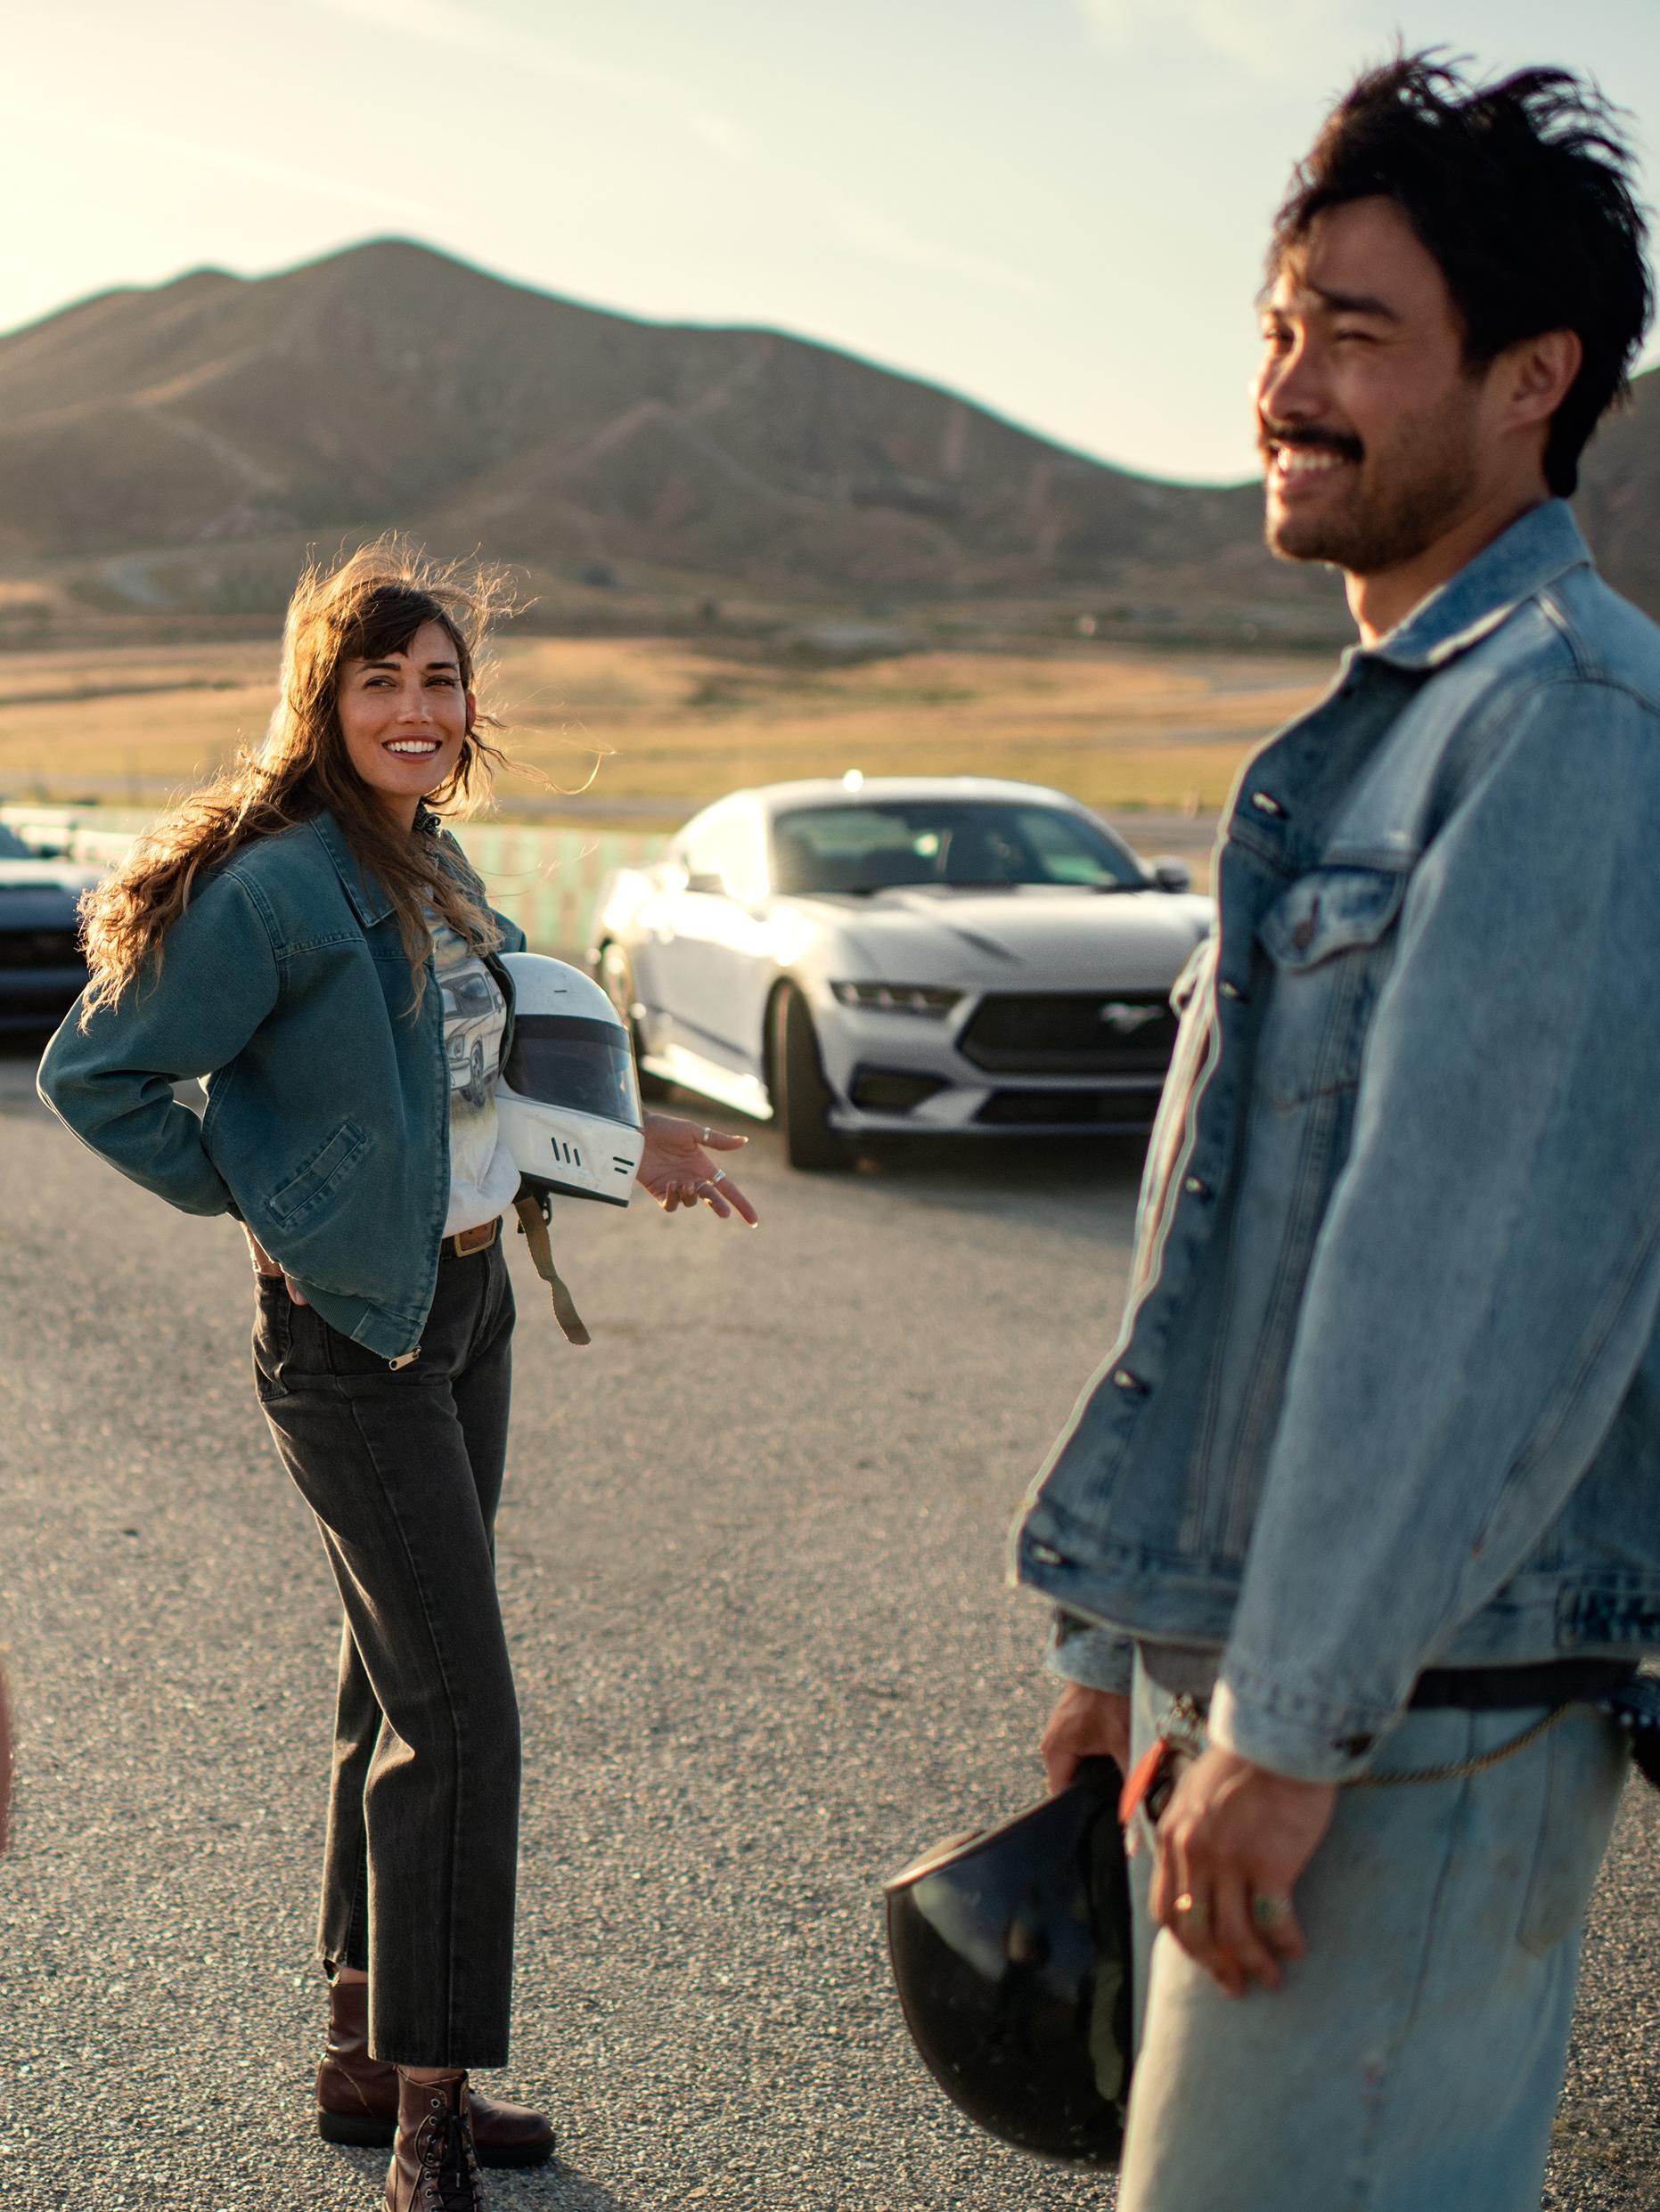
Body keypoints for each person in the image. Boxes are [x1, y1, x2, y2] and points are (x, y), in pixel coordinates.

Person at [1013, 55, 1658, 2212]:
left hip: (1419, 1718)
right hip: (1306, 1689)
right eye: (1276, 329)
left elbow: (1462, 1286)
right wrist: (1114, 1653)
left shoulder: (1562, 727)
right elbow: (1222, 1247)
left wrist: (1283, 1731)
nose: (1283, 387)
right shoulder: (1375, 739)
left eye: (1354, 336)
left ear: (1529, 380)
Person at [37, 541, 758, 2212]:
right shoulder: (281, 888)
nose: (418, 707)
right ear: (326, 703)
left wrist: (632, 1144)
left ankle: (365, 2050)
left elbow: (478, 1085)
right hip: (354, 1333)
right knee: (461, 1714)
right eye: (383, 682)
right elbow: (99, 1072)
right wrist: (267, 1204)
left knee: (396, 1681)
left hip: (467, 1304)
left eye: (441, 680)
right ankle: (431, 2118)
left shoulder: (433, 865)